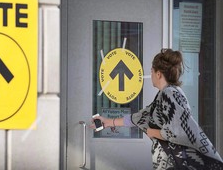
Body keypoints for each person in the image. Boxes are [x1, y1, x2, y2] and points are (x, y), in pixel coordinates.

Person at [91, 48, 223, 170]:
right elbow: (139, 118)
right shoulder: (165, 95)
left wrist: (152, 132)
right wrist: (108, 122)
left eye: (151, 71)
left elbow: (176, 131)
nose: (151, 74)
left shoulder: (170, 94)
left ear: (158, 74)